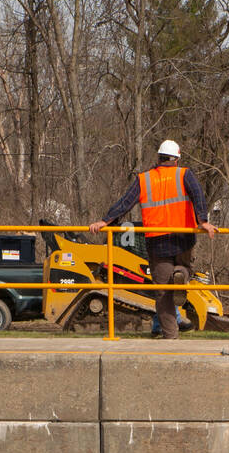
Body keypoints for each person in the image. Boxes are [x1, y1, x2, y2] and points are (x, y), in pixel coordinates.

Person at [89, 139, 215, 339]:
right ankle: (180, 277)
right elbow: (198, 195)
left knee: (162, 293)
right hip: (183, 236)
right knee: (184, 269)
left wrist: (105, 220)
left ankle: (170, 337)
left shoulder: (144, 179)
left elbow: (125, 202)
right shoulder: (184, 174)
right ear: (176, 159)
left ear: (159, 158)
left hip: (157, 240)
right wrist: (203, 221)